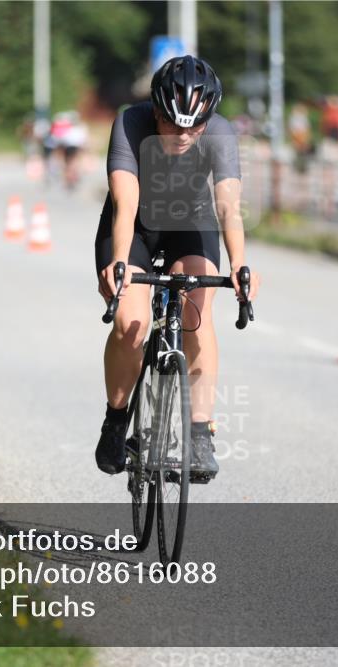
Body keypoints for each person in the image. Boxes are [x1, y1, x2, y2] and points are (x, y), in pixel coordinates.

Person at [94, 55, 260, 481]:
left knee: (197, 318)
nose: (184, 135)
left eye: (195, 126)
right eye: (172, 124)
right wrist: (119, 262)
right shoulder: (130, 123)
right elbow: (125, 202)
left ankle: (200, 434)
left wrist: (240, 264)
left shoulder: (220, 133)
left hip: (192, 223)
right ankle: (116, 421)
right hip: (135, 228)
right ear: (155, 111)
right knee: (131, 322)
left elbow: (227, 206)